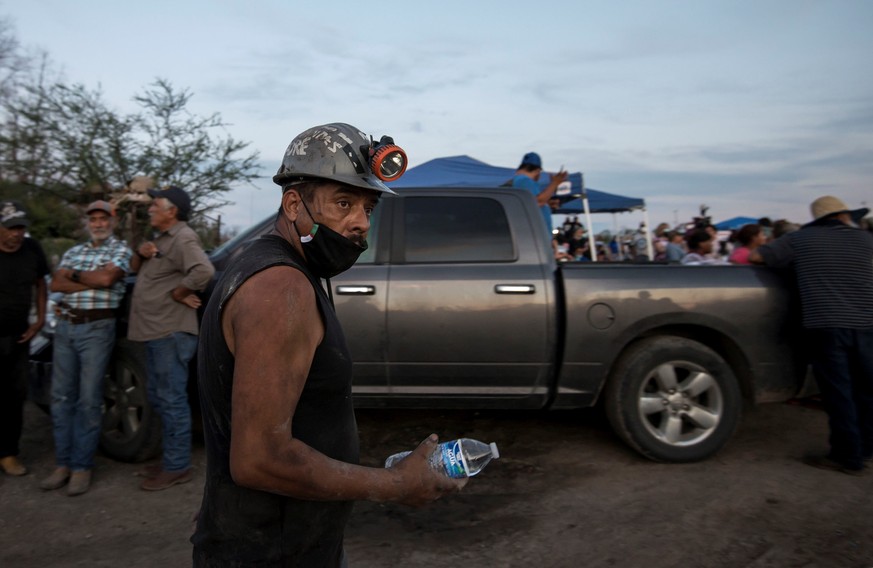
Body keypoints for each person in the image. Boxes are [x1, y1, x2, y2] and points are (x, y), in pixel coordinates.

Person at [191, 123, 466, 566]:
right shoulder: (280, 287)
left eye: (368, 206)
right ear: (293, 203)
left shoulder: (283, 268)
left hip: (276, 538)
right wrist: (395, 484)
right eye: (343, 202)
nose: (360, 221)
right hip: (272, 552)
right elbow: (259, 458)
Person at [749, 195, 873, 475]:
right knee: (866, 389)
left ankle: (847, 456)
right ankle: (866, 449)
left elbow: (757, 256)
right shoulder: (866, 240)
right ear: (842, 217)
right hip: (867, 324)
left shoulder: (800, 240)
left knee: (839, 392)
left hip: (825, 325)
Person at [39, 200, 132, 496]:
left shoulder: (120, 251)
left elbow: (107, 279)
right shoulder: (74, 251)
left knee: (89, 399)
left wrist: (75, 278)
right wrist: (90, 283)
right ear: (87, 223)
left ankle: (81, 466)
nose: (98, 224)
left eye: (103, 219)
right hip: (65, 327)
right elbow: (55, 285)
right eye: (93, 219)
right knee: (61, 397)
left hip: (96, 328)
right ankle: (62, 463)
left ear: (112, 222)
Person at [128, 186, 215, 491]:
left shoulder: (183, 237)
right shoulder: (162, 240)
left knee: (171, 399)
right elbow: (136, 269)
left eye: (155, 204)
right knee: (161, 398)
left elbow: (203, 271)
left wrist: (180, 292)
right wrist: (141, 253)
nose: (150, 208)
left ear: (171, 211)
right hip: (157, 332)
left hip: (170, 333)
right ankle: (171, 459)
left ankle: (177, 466)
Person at [0, 201, 48, 477]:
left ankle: (8, 453)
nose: (16, 233)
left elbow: (41, 283)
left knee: (14, 396)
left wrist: (40, 318)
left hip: (19, 336)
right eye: (10, 228)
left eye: (20, 227)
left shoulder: (32, 249)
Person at [511, 152, 569, 240]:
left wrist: (548, 203)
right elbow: (538, 202)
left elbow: (531, 203)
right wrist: (555, 183)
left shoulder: (520, 181)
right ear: (538, 171)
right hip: (536, 239)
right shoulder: (524, 180)